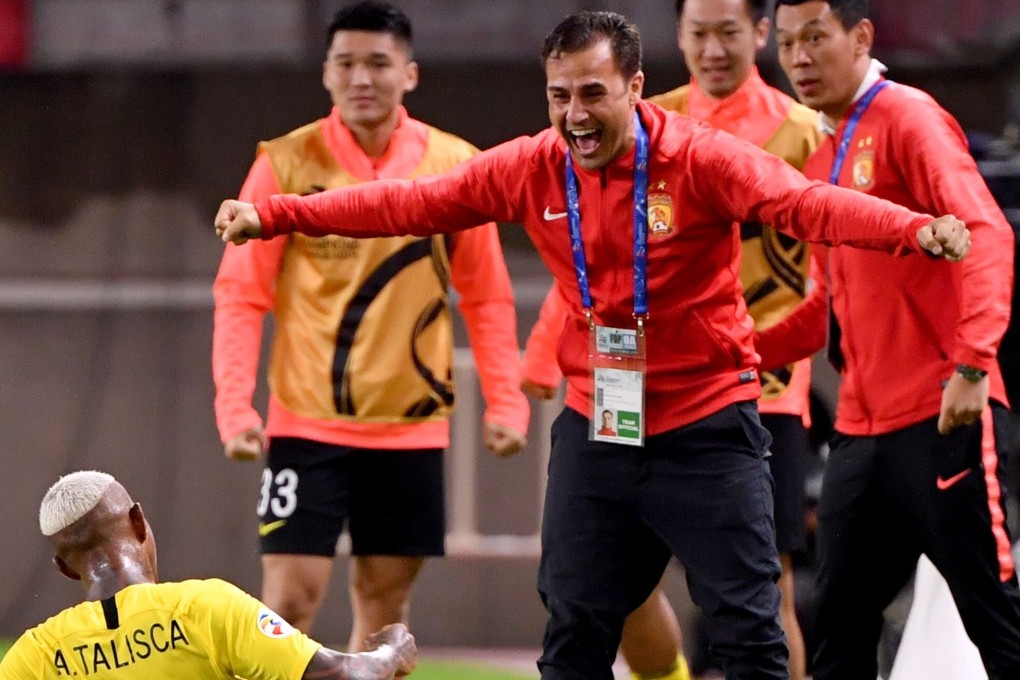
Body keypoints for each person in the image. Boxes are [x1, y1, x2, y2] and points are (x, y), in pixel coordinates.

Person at [214, 11, 971, 679]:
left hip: (708, 425)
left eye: (592, 94)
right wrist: (275, 216)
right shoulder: (531, 166)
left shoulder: (700, 159)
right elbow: (408, 203)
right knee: (573, 625)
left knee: (748, 630)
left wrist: (911, 229)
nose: (574, 116)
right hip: (600, 426)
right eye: (558, 96)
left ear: (636, 88)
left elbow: (805, 204)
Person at [211, 0, 529, 648]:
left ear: (409, 74)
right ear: (326, 73)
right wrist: (234, 405)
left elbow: (488, 296)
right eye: (346, 63)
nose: (362, 78)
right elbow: (241, 293)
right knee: (287, 602)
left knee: (385, 611)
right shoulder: (285, 163)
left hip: (410, 429)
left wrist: (508, 400)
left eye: (378, 63)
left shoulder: (456, 164)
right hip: (305, 422)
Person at [518, 1, 820, 677]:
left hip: (749, 389)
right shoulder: (631, 121)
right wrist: (541, 358)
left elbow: (832, 267)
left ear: (759, 34)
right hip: (625, 390)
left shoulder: (803, 130)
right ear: (675, 40)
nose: (713, 49)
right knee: (610, 591)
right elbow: (592, 260)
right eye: (698, 33)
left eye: (728, 32)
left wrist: (758, 354)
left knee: (761, 600)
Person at [752, 0, 1020, 677]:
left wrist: (973, 364)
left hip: (943, 415)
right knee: (838, 631)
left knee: (996, 622)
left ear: (861, 36)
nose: (799, 58)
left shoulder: (909, 117)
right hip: (860, 433)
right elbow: (827, 307)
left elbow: (988, 232)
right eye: (787, 43)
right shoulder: (823, 152)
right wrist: (737, 356)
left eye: (816, 37)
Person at [0, 471, 417, 680]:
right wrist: (392, 651)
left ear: (63, 568)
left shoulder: (33, 658)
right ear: (139, 522)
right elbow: (345, 675)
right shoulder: (206, 608)